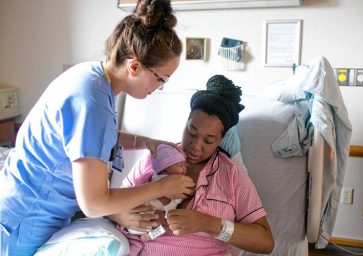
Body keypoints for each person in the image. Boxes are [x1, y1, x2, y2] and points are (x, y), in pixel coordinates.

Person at [0, 0, 195, 255]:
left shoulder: (92, 79)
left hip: (20, 202)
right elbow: (93, 203)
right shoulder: (92, 101)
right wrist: (163, 187)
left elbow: (90, 138)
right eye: (161, 78)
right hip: (24, 222)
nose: (161, 87)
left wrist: (145, 142)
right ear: (134, 66)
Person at [111, 75, 275, 255]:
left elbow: (265, 242)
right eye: (192, 132)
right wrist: (121, 216)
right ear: (186, 123)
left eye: (209, 140)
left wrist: (208, 224)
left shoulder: (231, 176)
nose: (196, 146)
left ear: (220, 139)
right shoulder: (157, 157)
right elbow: (109, 203)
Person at [118, 144, 187, 240]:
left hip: (140, 220)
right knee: (165, 224)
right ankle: (148, 236)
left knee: (165, 225)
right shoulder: (163, 178)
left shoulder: (155, 177)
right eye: (179, 165)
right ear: (165, 168)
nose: (184, 168)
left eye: (184, 165)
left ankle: (147, 235)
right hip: (141, 214)